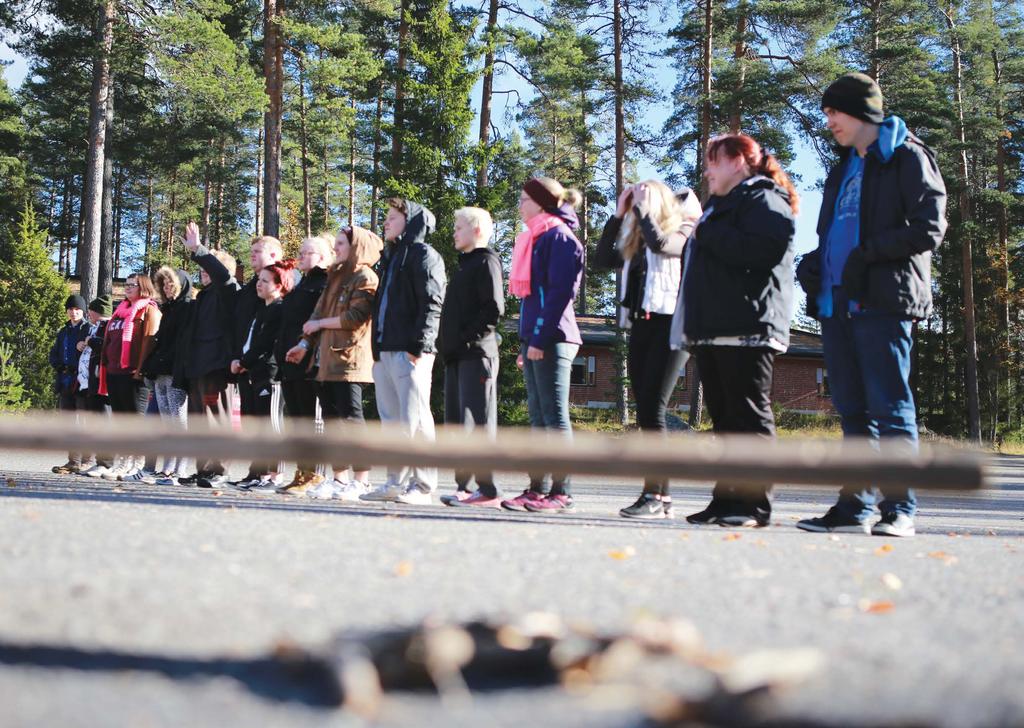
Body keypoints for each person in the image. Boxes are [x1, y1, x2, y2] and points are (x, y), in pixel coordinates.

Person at [795, 73, 947, 538]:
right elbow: (833, 232)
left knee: (890, 405)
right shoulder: (843, 168)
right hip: (836, 302)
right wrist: (815, 264)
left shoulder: (906, 156)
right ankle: (855, 506)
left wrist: (867, 255)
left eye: (833, 112)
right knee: (852, 408)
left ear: (861, 112)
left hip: (883, 298)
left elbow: (929, 228)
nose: (829, 123)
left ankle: (900, 508)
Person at [671, 133, 798, 528]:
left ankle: (755, 504)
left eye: (714, 161)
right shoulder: (721, 206)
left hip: (748, 326)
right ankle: (726, 500)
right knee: (725, 419)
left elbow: (764, 250)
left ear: (739, 161)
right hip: (714, 327)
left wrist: (703, 231)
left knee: (748, 417)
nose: (707, 171)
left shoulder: (763, 197)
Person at [595, 180, 702, 519]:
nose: (637, 201)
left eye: (643, 196)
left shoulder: (682, 230)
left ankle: (657, 494)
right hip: (641, 325)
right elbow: (600, 257)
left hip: (670, 325)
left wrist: (641, 209)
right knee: (644, 410)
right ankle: (657, 494)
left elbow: (662, 245)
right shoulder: (636, 242)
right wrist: (618, 214)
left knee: (654, 408)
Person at [500, 177, 585, 514]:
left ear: (541, 202)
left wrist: (539, 338)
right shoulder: (534, 237)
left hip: (554, 337)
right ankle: (538, 489)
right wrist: (526, 342)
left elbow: (560, 295)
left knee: (555, 419)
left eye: (524, 199)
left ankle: (562, 492)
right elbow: (531, 298)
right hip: (534, 338)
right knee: (538, 418)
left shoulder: (559, 238)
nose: (519, 205)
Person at [285, 226, 383, 498]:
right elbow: (316, 317)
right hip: (324, 360)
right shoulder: (335, 277)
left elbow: (356, 316)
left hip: (349, 360)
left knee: (352, 419)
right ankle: (339, 479)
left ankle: (361, 480)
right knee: (330, 420)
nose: (336, 248)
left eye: (341, 243)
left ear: (357, 247)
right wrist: (304, 345)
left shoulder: (366, 276)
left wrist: (318, 324)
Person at [362, 198, 446, 505]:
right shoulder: (391, 258)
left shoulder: (424, 255)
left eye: (393, 218)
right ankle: (395, 482)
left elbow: (432, 302)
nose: (385, 223)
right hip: (385, 351)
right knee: (392, 423)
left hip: (411, 352)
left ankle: (422, 485)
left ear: (411, 222)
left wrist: (420, 346)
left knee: (417, 420)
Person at [437, 207, 505, 508]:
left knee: (479, 423)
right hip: (455, 357)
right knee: (456, 423)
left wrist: (464, 340)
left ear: (477, 231)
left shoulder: (486, 261)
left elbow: (493, 310)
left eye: (459, 227)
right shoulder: (463, 266)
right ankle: (464, 488)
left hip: (476, 355)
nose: (454, 232)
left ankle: (488, 489)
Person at [180, 221, 241, 488]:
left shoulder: (229, 291)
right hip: (197, 367)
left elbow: (223, 277)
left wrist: (199, 250)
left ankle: (219, 469)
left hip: (216, 367)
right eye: (202, 270)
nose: (203, 273)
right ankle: (203, 469)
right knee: (198, 421)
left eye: (208, 268)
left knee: (216, 419)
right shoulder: (203, 297)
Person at [272, 234, 332, 494]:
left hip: (308, 361)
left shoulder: (324, 283)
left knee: (310, 419)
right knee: (296, 420)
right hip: (289, 361)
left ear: (321, 257)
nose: (301, 256)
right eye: (301, 251)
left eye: (307, 252)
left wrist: (307, 349)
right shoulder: (300, 284)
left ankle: (315, 474)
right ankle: (302, 471)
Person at [231, 260, 294, 489]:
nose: (259, 284)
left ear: (279, 285)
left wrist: (243, 362)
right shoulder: (261, 310)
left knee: (270, 425)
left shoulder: (279, 308)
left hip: (270, 374)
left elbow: (265, 343)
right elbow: (251, 341)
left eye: (265, 281)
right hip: (251, 374)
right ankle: (257, 473)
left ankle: (275, 475)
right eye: (259, 280)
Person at [97, 273, 162, 480]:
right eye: (126, 285)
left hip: (135, 375)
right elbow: (109, 341)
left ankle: (136, 464)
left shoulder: (148, 310)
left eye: (132, 285)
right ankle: (123, 462)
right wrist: (104, 363)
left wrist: (141, 368)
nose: (127, 288)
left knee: (135, 421)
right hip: (115, 372)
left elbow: (149, 341)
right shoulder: (120, 311)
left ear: (143, 286)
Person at [141, 267, 193, 486]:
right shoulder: (168, 309)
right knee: (167, 422)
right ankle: (168, 467)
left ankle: (180, 469)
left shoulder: (189, 308)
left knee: (179, 421)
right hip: (161, 372)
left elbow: (183, 343)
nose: (168, 289)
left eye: (172, 285)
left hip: (176, 373)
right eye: (164, 285)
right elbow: (161, 340)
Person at [49, 294, 90, 474]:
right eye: (71, 309)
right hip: (65, 380)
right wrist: (57, 364)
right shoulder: (63, 331)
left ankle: (87, 461)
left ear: (83, 311)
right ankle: (73, 461)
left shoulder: (89, 329)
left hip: (81, 382)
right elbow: (55, 352)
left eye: (77, 309)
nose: (73, 312)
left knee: (84, 422)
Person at [78, 296, 115, 478]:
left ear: (96, 312)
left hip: (103, 383)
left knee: (104, 421)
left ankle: (106, 462)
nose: (88, 314)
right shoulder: (97, 327)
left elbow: (107, 347)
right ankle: (100, 461)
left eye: (90, 311)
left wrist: (90, 341)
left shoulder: (107, 326)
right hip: (92, 382)